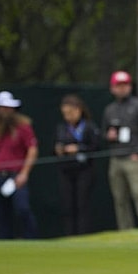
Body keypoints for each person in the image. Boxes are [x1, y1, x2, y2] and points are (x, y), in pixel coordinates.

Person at [0, 91, 39, 239]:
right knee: (1, 214)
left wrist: (24, 173)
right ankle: (4, 243)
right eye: (3, 108)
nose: (6, 111)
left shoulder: (23, 127)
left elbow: (32, 150)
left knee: (22, 209)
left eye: (8, 108)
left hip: (15, 176)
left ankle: (32, 240)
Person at [101, 71, 138, 229]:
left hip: (134, 158)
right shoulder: (110, 109)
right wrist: (108, 136)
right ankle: (125, 229)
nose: (122, 89)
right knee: (119, 198)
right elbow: (104, 132)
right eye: (119, 85)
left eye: (125, 85)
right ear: (112, 88)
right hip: (116, 157)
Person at [54, 94, 101, 235]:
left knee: (82, 204)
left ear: (79, 110)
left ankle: (83, 234)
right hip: (66, 170)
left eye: (70, 113)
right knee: (68, 205)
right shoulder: (61, 128)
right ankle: (70, 235)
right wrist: (59, 149)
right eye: (65, 114)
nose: (67, 116)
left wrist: (79, 148)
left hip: (84, 170)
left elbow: (96, 146)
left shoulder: (89, 127)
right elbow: (54, 147)